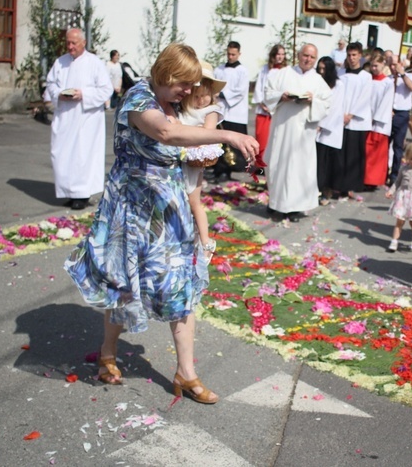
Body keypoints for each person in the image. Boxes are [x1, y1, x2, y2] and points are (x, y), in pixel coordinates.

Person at [65, 43, 259, 403]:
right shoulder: (139, 98)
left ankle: (186, 374)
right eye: (183, 83)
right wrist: (227, 134)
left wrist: (204, 147)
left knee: (181, 283)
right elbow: (167, 134)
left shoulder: (171, 102)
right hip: (132, 208)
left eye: (191, 84)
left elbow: (184, 139)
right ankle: (108, 352)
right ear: (165, 73)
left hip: (169, 206)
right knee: (124, 285)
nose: (189, 91)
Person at [44, 28, 113, 210]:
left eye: (74, 43)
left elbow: (106, 89)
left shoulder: (94, 63)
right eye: (68, 42)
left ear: (83, 43)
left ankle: (81, 195)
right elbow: (50, 84)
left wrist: (83, 94)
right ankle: (67, 191)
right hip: (65, 116)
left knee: (82, 156)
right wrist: (60, 94)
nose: (70, 46)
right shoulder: (61, 62)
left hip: (85, 118)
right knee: (62, 154)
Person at [264, 44, 332, 222]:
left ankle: (295, 208)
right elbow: (268, 92)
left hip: (303, 132)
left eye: (311, 57)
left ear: (315, 59)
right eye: (305, 55)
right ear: (298, 54)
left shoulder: (318, 81)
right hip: (283, 127)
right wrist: (281, 96)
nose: (307, 59)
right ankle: (276, 204)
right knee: (278, 165)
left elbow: (326, 103)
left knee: (299, 169)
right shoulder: (283, 73)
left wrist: (312, 100)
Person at [179, 61, 227, 260]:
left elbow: (208, 133)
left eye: (205, 96)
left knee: (194, 200)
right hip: (180, 160)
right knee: (181, 199)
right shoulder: (185, 110)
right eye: (196, 96)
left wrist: (187, 133)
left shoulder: (211, 111)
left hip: (195, 162)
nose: (200, 100)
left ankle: (206, 241)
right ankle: (186, 236)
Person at [331, 41, 372, 198]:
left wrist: (351, 114)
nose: (351, 58)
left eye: (354, 55)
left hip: (356, 121)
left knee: (354, 154)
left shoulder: (366, 76)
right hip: (340, 119)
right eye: (349, 55)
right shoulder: (340, 74)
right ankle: (338, 184)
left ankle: (350, 186)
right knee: (340, 153)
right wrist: (339, 113)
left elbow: (364, 98)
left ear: (360, 56)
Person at [212, 41, 250, 180]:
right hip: (221, 110)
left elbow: (240, 91)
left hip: (235, 113)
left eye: (233, 54)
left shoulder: (243, 71)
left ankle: (233, 168)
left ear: (239, 54)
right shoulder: (219, 69)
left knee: (234, 144)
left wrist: (221, 94)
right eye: (228, 54)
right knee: (219, 142)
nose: (230, 57)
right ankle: (219, 169)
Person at [252, 44, 286, 172]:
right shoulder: (265, 69)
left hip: (277, 110)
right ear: (273, 55)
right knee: (262, 139)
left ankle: (273, 166)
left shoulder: (285, 71)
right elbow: (259, 88)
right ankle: (260, 165)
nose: (280, 57)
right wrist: (262, 104)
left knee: (275, 140)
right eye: (278, 54)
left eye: (282, 54)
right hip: (263, 110)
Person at [315, 56, 345, 205]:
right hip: (316, 128)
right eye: (319, 69)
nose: (321, 72)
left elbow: (335, 108)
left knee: (329, 164)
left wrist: (321, 125)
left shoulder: (338, 85)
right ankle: (315, 190)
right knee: (318, 162)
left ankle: (327, 191)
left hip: (330, 129)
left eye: (324, 69)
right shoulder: (316, 82)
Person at [364, 51, 395, 187]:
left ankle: (374, 180)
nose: (373, 68)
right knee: (366, 153)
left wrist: (374, 118)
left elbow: (386, 104)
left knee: (376, 154)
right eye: (372, 66)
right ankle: (365, 178)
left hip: (379, 123)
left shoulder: (388, 82)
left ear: (383, 65)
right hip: (366, 120)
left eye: (376, 65)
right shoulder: (368, 80)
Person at [388, 55, 412, 184]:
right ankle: (383, 173)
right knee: (384, 146)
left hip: (401, 113)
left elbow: (411, 87)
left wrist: (402, 74)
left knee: (398, 147)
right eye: (391, 65)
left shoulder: (409, 76)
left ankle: (394, 175)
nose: (393, 67)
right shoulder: (388, 79)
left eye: (395, 64)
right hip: (388, 113)